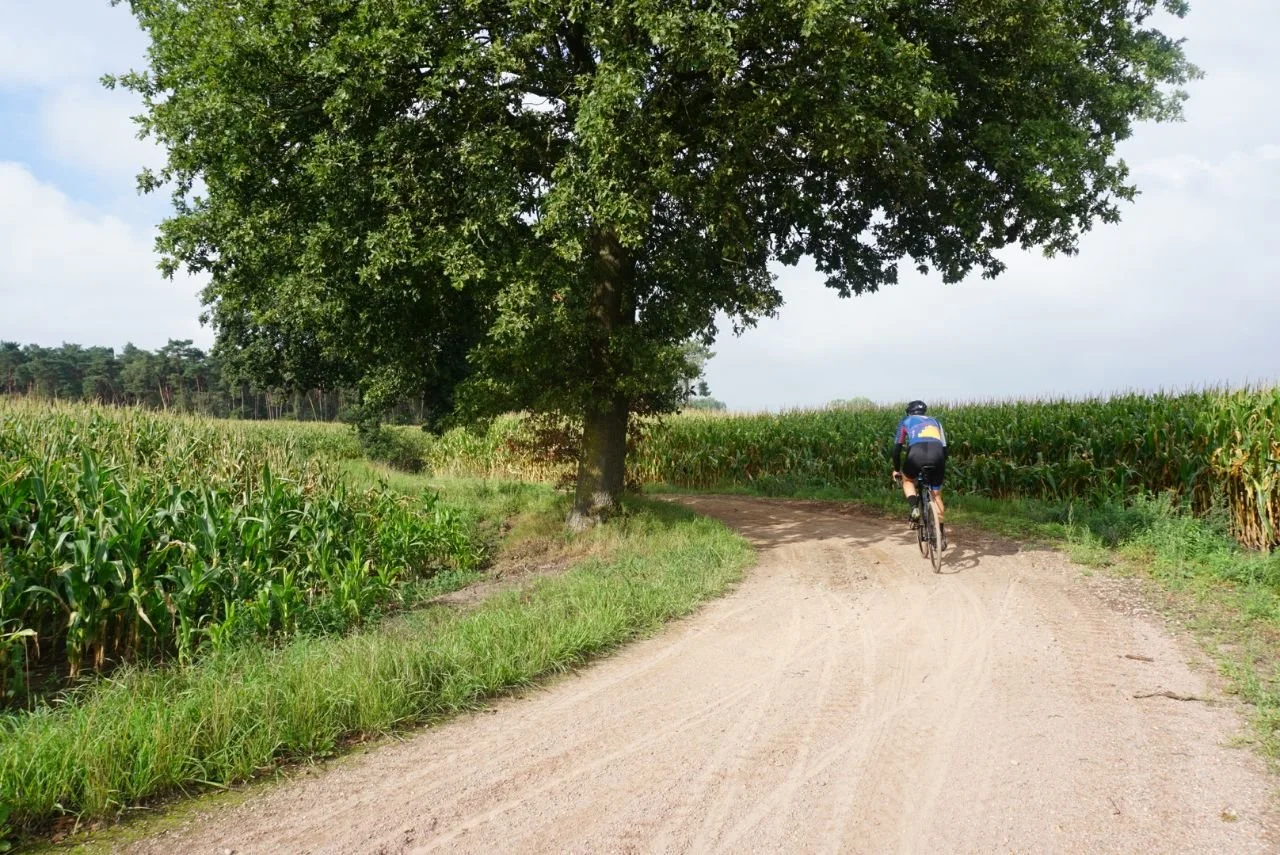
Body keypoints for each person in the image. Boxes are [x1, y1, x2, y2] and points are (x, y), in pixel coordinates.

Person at [891, 400, 947, 546]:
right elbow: (945, 449)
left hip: (916, 455)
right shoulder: (936, 422)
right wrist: (939, 463)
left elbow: (896, 450)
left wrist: (896, 469)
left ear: (909, 412)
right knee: (936, 496)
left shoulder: (906, 421)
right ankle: (940, 535)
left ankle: (914, 507)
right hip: (937, 455)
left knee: (908, 480)